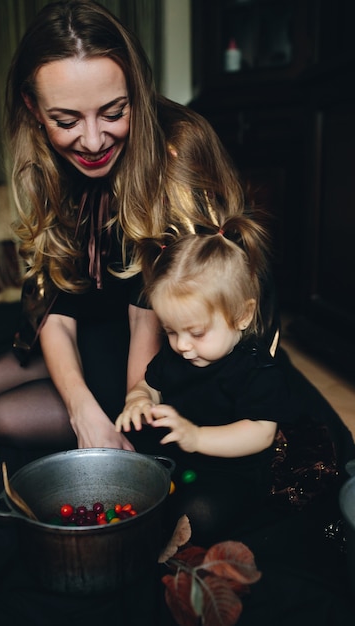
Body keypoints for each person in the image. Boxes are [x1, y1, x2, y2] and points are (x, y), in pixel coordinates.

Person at [0, 0, 277, 452]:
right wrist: (82, 413)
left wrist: (129, 405)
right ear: (33, 109)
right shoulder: (45, 162)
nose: (95, 141)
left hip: (172, 344)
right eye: (66, 120)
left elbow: (155, 313)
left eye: (115, 112)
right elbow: (54, 303)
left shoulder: (181, 149)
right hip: (105, 323)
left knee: (5, 415)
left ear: (136, 93)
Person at [115, 219, 298, 543]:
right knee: (134, 481)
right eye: (170, 331)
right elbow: (151, 385)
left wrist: (197, 437)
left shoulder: (255, 369)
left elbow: (259, 432)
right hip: (179, 458)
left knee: (200, 513)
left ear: (242, 315)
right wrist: (139, 400)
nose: (182, 345)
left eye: (196, 332)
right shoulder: (177, 356)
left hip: (232, 472)